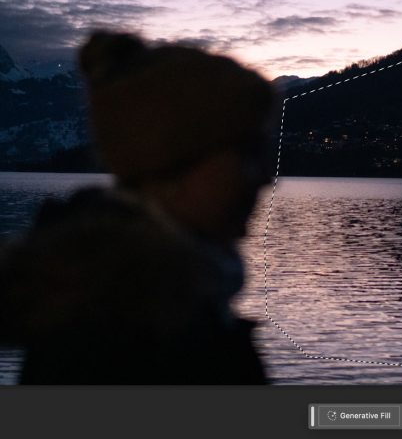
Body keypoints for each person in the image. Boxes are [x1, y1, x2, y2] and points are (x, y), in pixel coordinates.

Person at [0, 31, 278, 384]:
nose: (265, 177)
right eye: (247, 154)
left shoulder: (157, 296)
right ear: (173, 165)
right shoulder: (109, 338)